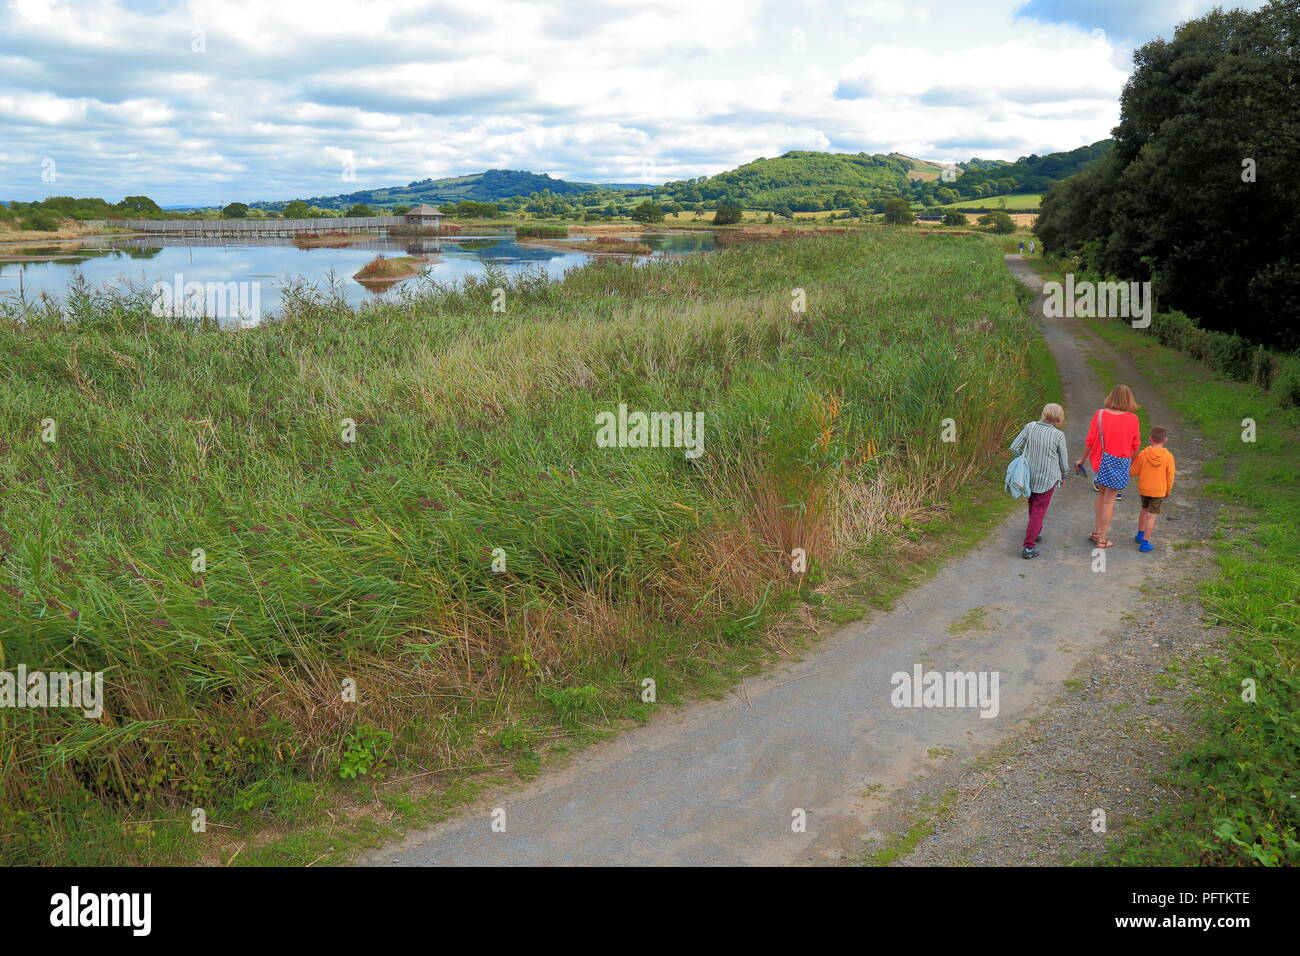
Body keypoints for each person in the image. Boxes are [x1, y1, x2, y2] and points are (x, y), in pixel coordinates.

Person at [1076, 385, 1141, 548]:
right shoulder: (1132, 419)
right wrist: (1131, 462)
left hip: (1100, 460)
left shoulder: (1100, 414)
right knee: (1109, 501)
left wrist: (1082, 459)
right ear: (1129, 399)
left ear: (1111, 397)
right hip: (1120, 462)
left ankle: (1097, 531)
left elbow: (1090, 440)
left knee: (1101, 496)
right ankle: (1102, 539)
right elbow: (1135, 445)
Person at [1011, 403, 1070, 559]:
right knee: (1039, 510)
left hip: (1028, 475)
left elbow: (1015, 447)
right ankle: (1029, 547)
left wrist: (1021, 461)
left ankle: (1035, 531)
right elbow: (1063, 460)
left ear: (1044, 414)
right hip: (1048, 478)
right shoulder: (1058, 435)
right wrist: (1064, 474)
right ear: (1059, 417)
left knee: (1032, 503)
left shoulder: (1030, 427)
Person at [1130, 425, 1176, 552]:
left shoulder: (1144, 453)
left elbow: (1133, 471)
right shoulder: (1168, 457)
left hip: (1144, 489)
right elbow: (1170, 475)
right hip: (1159, 490)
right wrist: (1168, 490)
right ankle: (1145, 543)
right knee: (1152, 515)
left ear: (1150, 439)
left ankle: (1140, 534)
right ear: (1165, 439)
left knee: (1144, 510)